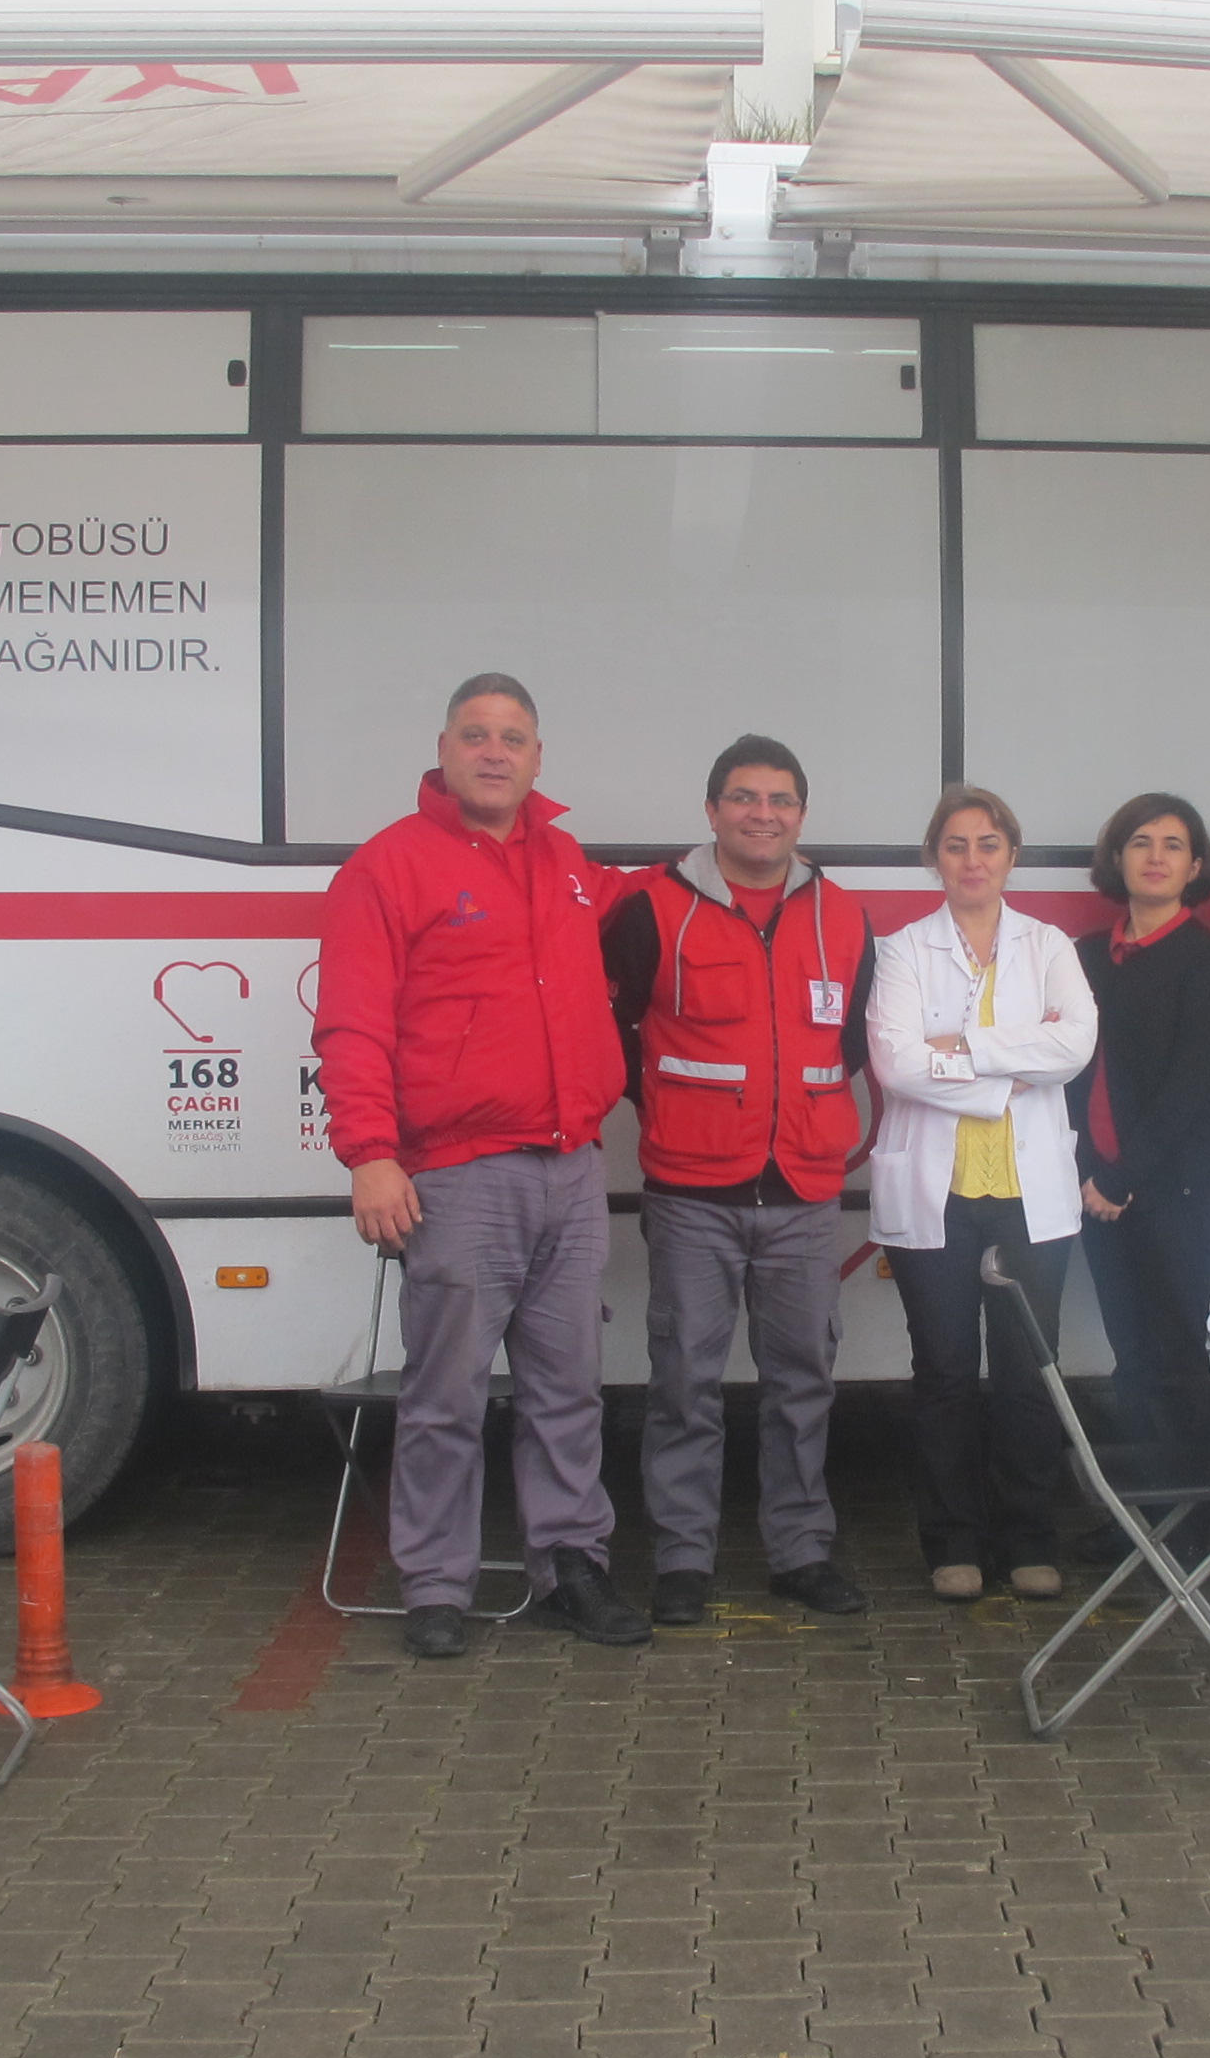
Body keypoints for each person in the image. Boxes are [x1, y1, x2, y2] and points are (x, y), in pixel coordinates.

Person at [311, 673, 648, 1658]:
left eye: (513, 737)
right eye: (476, 735)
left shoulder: (568, 863)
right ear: (446, 751)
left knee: (567, 1387)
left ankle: (570, 1566)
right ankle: (436, 1584)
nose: (494, 751)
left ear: (538, 757)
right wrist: (372, 1156)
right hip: (457, 1177)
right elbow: (351, 1026)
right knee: (446, 1395)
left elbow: (666, 901)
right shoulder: (390, 868)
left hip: (570, 1168)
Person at [602, 734, 878, 1627]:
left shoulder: (844, 914)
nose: (765, 815)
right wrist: (669, 1113)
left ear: (802, 813)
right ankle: (684, 1558)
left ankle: (800, 1550)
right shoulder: (652, 907)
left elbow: (854, 1043)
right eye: (746, 798)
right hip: (693, 1191)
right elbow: (614, 1031)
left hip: (801, 1189)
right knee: (684, 1381)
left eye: (782, 800)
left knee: (803, 1379)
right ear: (712, 808)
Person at [867, 784, 1099, 1602]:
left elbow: (1074, 1046)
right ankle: (954, 1541)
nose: (973, 860)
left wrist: (961, 1048)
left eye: (989, 844)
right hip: (938, 1194)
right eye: (957, 845)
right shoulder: (901, 950)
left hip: (1030, 1193)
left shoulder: (1049, 944)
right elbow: (895, 1064)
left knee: (1031, 1371)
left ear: (1012, 856)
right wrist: (1008, 1070)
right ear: (936, 857)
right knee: (945, 1373)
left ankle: (1031, 1537)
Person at [1073, 794, 1210, 1480]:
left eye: (1174, 845)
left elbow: (1187, 1087)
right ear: (1118, 856)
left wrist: (1120, 1177)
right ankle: (1136, 1514)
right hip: (1100, 1186)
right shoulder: (1085, 956)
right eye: (1141, 842)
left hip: (1178, 1186)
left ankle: (1188, 1522)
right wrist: (1092, 1173)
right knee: (1130, 1354)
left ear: (1195, 866)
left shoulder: (1206, 960)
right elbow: (1070, 1075)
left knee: (1175, 1353)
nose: (1155, 857)